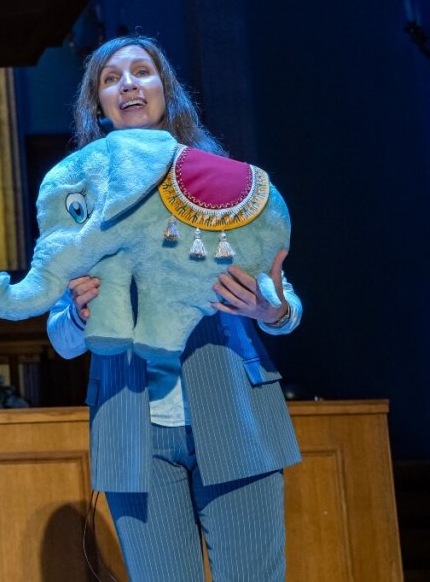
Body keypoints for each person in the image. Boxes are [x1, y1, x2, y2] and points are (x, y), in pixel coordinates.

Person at [47, 35, 302, 581]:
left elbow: (283, 296)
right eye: (111, 78)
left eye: (142, 71)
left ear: (166, 90)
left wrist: (270, 310)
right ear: (98, 105)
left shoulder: (215, 177)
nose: (128, 84)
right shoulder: (79, 198)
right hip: (133, 431)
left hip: (233, 411)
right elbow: (61, 337)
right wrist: (78, 314)